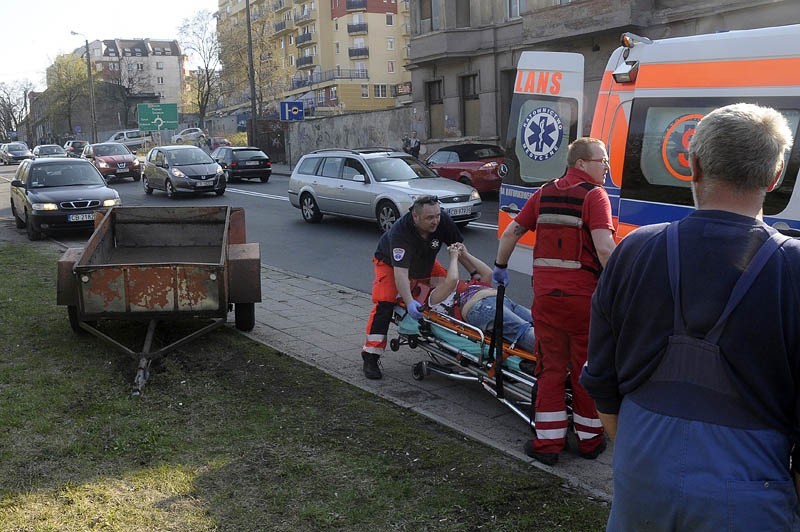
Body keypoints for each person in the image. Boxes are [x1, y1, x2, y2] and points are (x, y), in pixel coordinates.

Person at [580, 103, 800, 530]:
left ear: (693, 166)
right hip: (751, 496)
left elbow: (600, 378)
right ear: (775, 177)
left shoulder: (634, 250)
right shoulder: (793, 267)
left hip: (641, 479)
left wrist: (639, 460)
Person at [493, 137, 616, 465]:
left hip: (547, 301)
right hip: (583, 303)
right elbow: (604, 248)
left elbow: (511, 233)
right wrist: (625, 284)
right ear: (581, 164)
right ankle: (590, 441)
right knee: (584, 370)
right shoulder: (594, 196)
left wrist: (500, 267)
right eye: (602, 160)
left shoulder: (544, 192)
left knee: (550, 369)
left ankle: (548, 445)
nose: (606, 167)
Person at [361, 195, 466, 380]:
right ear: (415, 217)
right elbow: (401, 273)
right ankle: (371, 355)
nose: (435, 221)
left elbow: (459, 249)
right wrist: (409, 302)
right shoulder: (401, 232)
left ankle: (453, 343)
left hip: (424, 262)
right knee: (385, 302)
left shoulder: (442, 221)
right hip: (391, 264)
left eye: (437, 216)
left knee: (454, 291)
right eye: (430, 218)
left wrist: (476, 274)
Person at [428, 242, 535, 354]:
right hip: (481, 308)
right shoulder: (434, 297)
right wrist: (454, 257)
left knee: (543, 323)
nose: (444, 275)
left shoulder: (462, 285)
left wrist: (465, 254)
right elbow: (452, 279)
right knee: (526, 332)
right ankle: (552, 356)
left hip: (500, 302)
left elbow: (488, 274)